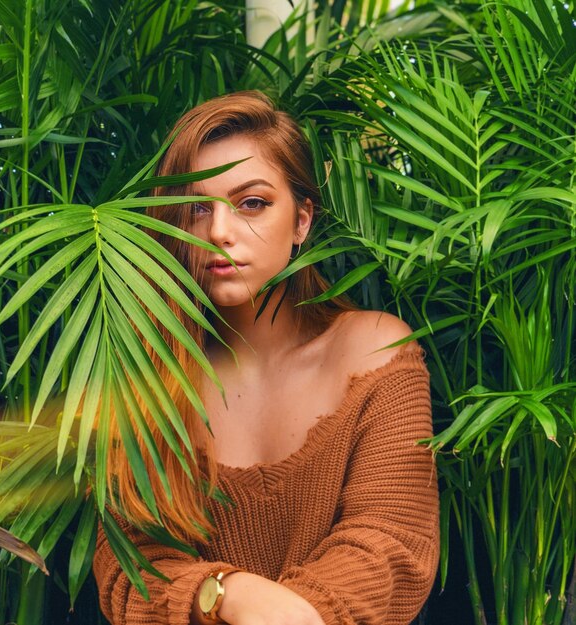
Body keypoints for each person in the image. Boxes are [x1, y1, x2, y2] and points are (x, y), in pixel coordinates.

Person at [93, 91, 439, 625]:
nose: (219, 233)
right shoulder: (147, 372)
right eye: (195, 209)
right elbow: (127, 568)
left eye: (251, 203)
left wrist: (290, 612)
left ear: (302, 221)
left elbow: (391, 543)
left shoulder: (374, 351)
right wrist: (226, 594)